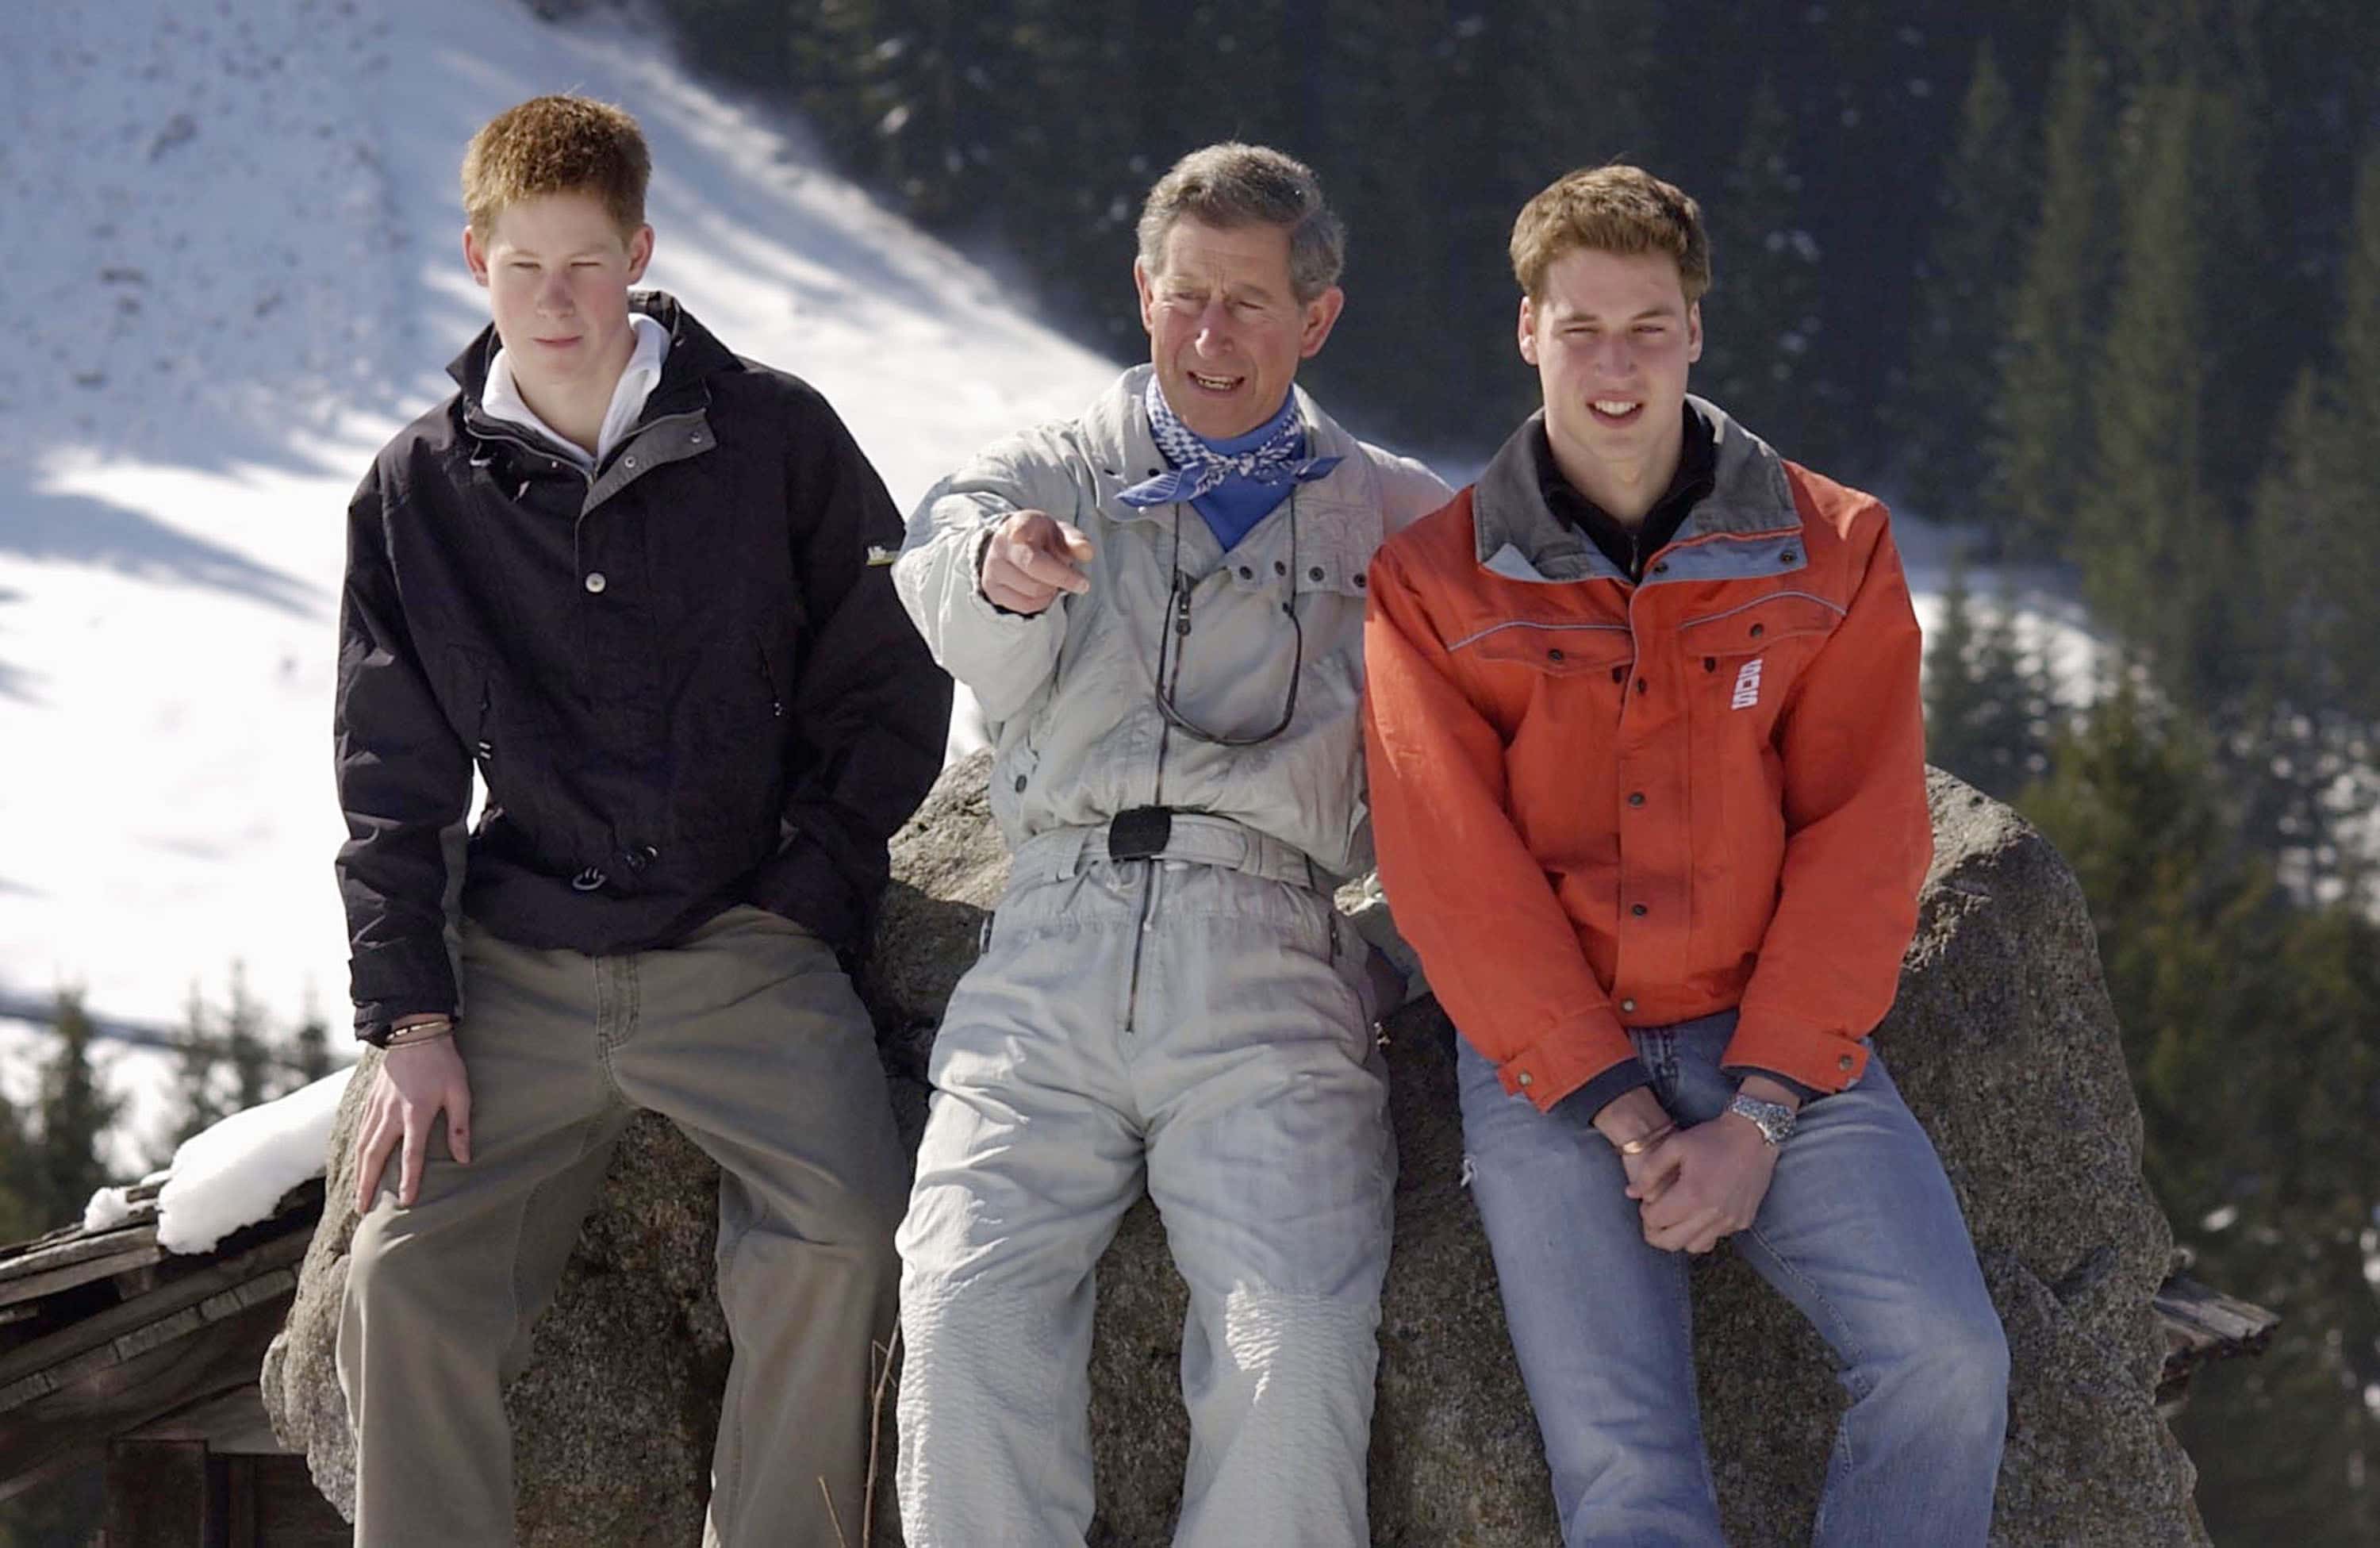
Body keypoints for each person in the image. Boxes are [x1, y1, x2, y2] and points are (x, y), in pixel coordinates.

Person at [1361, 164, 2010, 1546]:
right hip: (1551, 1067)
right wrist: (1623, 1112)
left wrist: (1759, 1115)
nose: (1615, 365)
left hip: (1773, 1035)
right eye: (1581, 327)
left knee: (1950, 1362)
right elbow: (1449, 872)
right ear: (1527, 330)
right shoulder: (1432, 582)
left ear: (1697, 333)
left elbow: (1863, 836)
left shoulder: (1831, 546)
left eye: (1647, 326)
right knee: (1629, 1483)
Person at [331, 94, 947, 1547]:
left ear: (643, 252)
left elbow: (889, 677)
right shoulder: (419, 489)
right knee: (398, 1277)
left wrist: (812, 885)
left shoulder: (774, 436)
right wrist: (411, 1024)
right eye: (526, 265)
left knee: (845, 1237)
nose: (559, 300)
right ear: (476, 260)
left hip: (745, 943)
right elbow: (391, 769)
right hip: (524, 968)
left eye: (588, 264)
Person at [888, 142, 1450, 1547]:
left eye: (1249, 304)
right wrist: (1000, 570)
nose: (1209, 336)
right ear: (1142, 291)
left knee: (1300, 1343)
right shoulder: (1054, 468)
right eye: (1185, 296)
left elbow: (1535, 673)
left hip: (1272, 959)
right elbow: (942, 546)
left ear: (1316, 320)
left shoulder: (1398, 510)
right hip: (1051, 946)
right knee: (959, 1309)